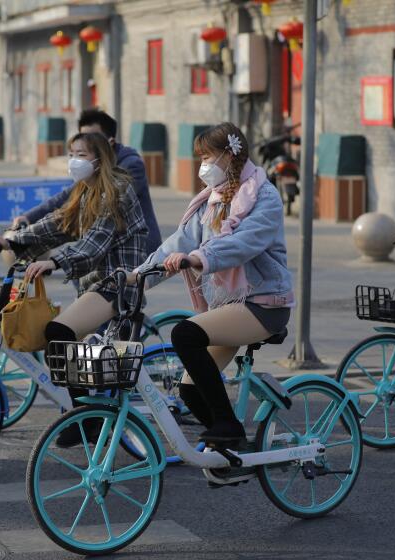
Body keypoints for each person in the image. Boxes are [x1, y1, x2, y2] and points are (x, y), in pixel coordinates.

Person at [134, 122, 294, 448]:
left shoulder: (264, 196)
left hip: (264, 303)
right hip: (230, 305)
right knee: (190, 390)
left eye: (208, 156)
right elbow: (177, 243)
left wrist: (198, 258)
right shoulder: (211, 201)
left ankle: (229, 428)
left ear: (230, 155)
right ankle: (232, 449)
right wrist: (137, 276)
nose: (203, 165)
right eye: (200, 157)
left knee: (184, 334)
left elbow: (244, 243)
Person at [0, 132, 148, 446]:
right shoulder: (86, 191)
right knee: (67, 349)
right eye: (71, 153)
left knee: (58, 331)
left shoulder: (116, 191)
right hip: (94, 285)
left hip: (118, 285)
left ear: (99, 159)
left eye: (81, 154)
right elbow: (59, 222)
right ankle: (85, 414)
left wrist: (54, 263)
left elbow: (93, 246)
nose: (74, 160)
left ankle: (85, 420)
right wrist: (16, 239)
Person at [14, 108, 162, 253]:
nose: (86, 142)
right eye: (82, 138)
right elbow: (65, 203)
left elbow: (100, 219)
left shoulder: (128, 169)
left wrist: (57, 262)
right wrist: (25, 225)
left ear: (109, 142)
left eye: (93, 138)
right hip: (103, 250)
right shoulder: (88, 175)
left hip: (136, 252)